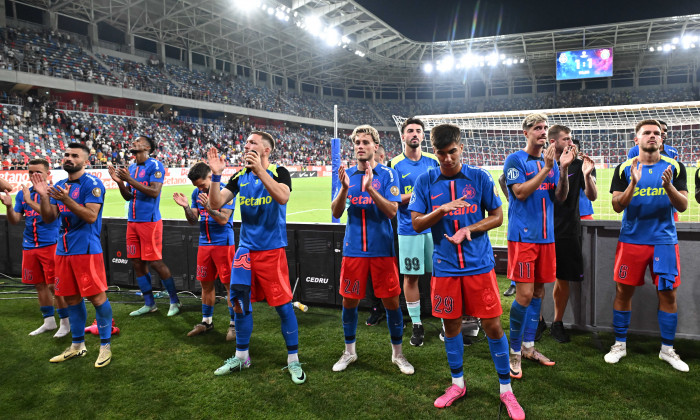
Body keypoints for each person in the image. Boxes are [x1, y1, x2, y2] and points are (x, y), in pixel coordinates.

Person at [409, 124, 524, 418]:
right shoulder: (425, 181)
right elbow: (417, 223)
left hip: (479, 266)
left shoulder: (479, 177)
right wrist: (442, 210)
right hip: (445, 268)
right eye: (440, 153)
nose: (446, 158)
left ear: (461, 148)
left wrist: (469, 229)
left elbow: (498, 217)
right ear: (433, 151)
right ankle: (457, 385)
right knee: (451, 327)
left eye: (451, 152)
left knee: (493, 326)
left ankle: (506, 391)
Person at [206, 131, 306, 384]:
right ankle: (242, 356)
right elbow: (216, 203)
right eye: (246, 141)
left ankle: (293, 359)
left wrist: (260, 170)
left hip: (272, 251)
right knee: (239, 304)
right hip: (245, 252)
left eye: (252, 142)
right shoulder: (239, 176)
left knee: (283, 306)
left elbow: (283, 197)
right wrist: (216, 175)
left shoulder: (279, 171)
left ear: (266, 149)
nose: (246, 145)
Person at [605, 119, 689, 372]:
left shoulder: (675, 167)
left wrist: (668, 186)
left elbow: (683, 205)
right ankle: (619, 344)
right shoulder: (623, 169)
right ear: (637, 139)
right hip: (631, 241)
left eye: (656, 133)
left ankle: (667, 350)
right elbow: (617, 205)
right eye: (646, 133)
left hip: (663, 241)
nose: (652, 136)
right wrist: (633, 182)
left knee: (668, 294)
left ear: (662, 139)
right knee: (623, 292)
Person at [331, 124, 413, 375]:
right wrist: (345, 188)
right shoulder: (346, 177)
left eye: (365, 142)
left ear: (375, 147)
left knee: (391, 301)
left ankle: (398, 354)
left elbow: (392, 211)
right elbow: (335, 213)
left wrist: (371, 189)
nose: (360, 147)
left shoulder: (388, 175)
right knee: (349, 301)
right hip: (353, 250)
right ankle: (349, 352)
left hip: (382, 251)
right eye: (357, 143)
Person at [503, 113, 575, 378]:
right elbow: (519, 193)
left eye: (545, 128)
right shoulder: (516, 160)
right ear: (526, 133)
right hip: (523, 238)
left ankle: (529, 347)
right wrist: (546, 168)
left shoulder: (553, 163)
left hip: (547, 238)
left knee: (539, 294)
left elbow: (561, 196)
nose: (543, 132)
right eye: (537, 128)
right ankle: (513, 352)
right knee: (523, 295)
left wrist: (563, 168)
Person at [32, 143, 113, 367]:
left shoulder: (93, 184)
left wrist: (67, 200)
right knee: (71, 298)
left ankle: (105, 346)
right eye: (66, 155)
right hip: (63, 250)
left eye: (74, 156)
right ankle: (78, 346)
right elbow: (49, 218)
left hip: (85, 249)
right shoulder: (59, 185)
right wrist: (44, 196)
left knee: (96, 298)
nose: (68, 158)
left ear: (85, 161)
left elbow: (90, 216)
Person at [108, 135, 181, 317]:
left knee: (155, 262)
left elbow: (155, 192)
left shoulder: (155, 166)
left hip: (149, 222)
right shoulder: (131, 168)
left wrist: (129, 180)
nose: (133, 143)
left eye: (137, 141)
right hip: (132, 222)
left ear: (147, 147)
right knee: (137, 262)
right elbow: (128, 196)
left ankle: (175, 301)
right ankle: (149, 303)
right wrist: (119, 182)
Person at [1, 159, 69, 337]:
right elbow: (15, 220)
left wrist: (30, 201)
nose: (33, 176)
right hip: (29, 245)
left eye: (38, 172)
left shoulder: (54, 192)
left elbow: (51, 218)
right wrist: (9, 206)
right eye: (30, 172)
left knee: (55, 285)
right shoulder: (24, 194)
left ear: (48, 174)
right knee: (39, 285)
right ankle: (49, 321)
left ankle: (65, 322)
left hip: (51, 245)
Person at [389, 117, 439, 346]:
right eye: (410, 131)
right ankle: (417, 324)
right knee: (411, 277)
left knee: (441, 274)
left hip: (434, 228)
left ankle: (446, 318)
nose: (415, 134)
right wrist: (420, 194)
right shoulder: (394, 164)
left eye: (419, 130)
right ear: (403, 136)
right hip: (408, 229)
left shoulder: (432, 161)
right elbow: (393, 199)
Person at [173, 162, 236, 340]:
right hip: (204, 244)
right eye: (197, 186)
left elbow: (224, 219)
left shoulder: (226, 191)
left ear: (211, 176)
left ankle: (234, 324)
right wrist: (186, 207)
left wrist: (209, 207)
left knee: (229, 285)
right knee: (205, 284)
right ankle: (206, 322)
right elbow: (193, 220)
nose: (200, 189)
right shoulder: (196, 193)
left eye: (201, 185)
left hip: (223, 244)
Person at [548, 126, 597, 343]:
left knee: (564, 278)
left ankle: (557, 323)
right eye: (565, 138)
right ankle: (538, 320)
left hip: (568, 228)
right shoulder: (542, 165)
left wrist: (587, 176)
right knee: (537, 280)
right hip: (542, 228)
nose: (570, 142)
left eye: (570, 138)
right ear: (552, 142)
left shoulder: (579, 164)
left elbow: (592, 196)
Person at [365, 144, 388, 326]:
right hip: (367, 234)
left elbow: (394, 205)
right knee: (371, 276)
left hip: (391, 229)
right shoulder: (359, 176)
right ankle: (376, 309)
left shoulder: (389, 175)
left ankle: (391, 310)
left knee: (391, 275)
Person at [573, 140, 595, 220]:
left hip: (583, 212)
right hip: (564, 214)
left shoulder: (586, 166)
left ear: (579, 152)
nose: (571, 151)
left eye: (573, 149)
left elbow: (593, 188)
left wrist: (587, 174)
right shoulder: (557, 166)